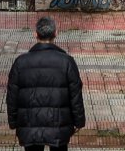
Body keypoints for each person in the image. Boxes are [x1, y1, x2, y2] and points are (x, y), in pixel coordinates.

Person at [6, 16, 86, 151]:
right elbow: (75, 95)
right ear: (55, 33)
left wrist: (13, 122)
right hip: (59, 123)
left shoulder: (20, 62)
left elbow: (12, 96)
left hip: (29, 124)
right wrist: (79, 121)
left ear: (35, 34)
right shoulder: (67, 61)